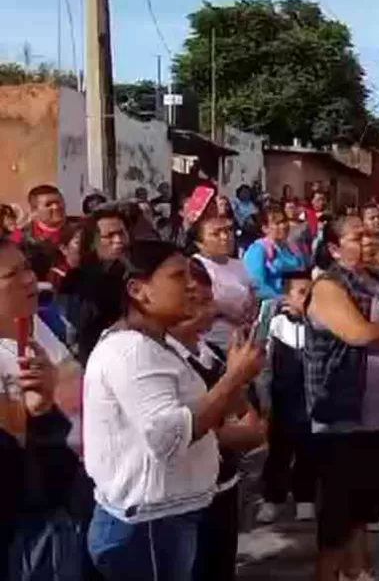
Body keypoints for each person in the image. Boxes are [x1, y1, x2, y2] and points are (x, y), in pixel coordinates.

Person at [83, 240, 263, 580]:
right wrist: (234, 377)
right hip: (148, 522)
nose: (192, 286)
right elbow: (169, 436)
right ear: (138, 290)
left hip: (166, 517)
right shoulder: (131, 352)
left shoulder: (156, 344)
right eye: (178, 276)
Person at [304, 215, 379, 581]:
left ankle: (359, 571)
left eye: (369, 236)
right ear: (334, 249)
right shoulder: (329, 286)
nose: (368, 242)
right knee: (339, 513)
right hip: (345, 415)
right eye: (356, 237)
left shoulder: (378, 281)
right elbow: (358, 334)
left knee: (365, 507)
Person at [166, 260, 266, 581]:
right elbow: (182, 432)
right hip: (187, 498)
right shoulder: (164, 359)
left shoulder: (210, 353)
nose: (205, 310)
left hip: (224, 484)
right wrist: (231, 431)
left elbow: (250, 420)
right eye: (193, 301)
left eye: (208, 301)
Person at [0, 236, 90, 580]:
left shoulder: (41, 326)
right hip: (23, 525)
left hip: (64, 496)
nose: (28, 280)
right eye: (12, 275)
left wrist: (42, 410)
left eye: (27, 269)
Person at [257, 271, 318, 524]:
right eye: (301, 293)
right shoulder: (274, 323)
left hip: (311, 397)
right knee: (279, 449)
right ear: (286, 296)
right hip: (282, 396)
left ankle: (306, 498)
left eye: (310, 294)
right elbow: (264, 366)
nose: (306, 299)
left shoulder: (318, 325)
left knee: (309, 448)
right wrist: (264, 400)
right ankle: (273, 498)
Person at [59, 205, 130, 362]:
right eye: (109, 236)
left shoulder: (138, 274)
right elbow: (75, 326)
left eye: (121, 233)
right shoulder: (75, 281)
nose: (118, 241)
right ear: (93, 241)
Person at [190, 215, 254, 351]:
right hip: (214, 338)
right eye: (216, 234)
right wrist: (225, 313)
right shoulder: (195, 267)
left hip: (245, 333)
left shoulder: (238, 264)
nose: (225, 237)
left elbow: (251, 292)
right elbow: (195, 306)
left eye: (228, 231)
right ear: (199, 243)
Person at [244, 208, 307, 300]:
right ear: (265, 228)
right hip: (274, 303)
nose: (283, 226)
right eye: (277, 223)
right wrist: (282, 299)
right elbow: (256, 285)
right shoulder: (258, 250)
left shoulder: (292, 247)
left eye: (285, 221)